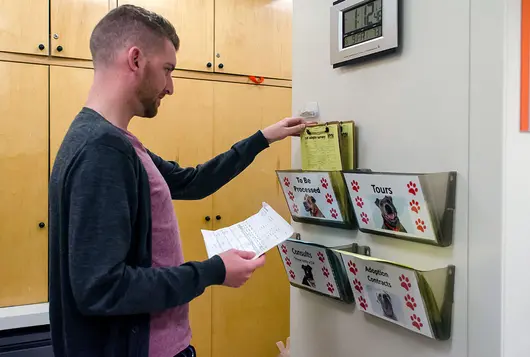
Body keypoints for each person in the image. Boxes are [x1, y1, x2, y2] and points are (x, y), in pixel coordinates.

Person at [48, 4, 308, 357]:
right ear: (136, 59)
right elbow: (101, 288)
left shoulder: (116, 142)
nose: (170, 87)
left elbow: (192, 182)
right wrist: (213, 271)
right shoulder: (102, 150)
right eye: (168, 70)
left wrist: (262, 138)